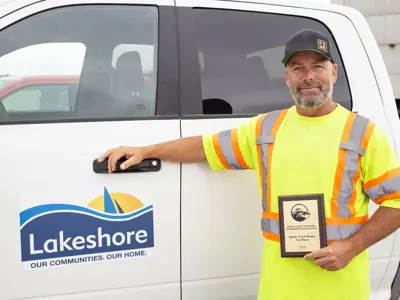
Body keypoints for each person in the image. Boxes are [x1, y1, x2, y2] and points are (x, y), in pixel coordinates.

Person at [98, 29, 400, 300]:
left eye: (317, 67)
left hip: (341, 288)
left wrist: (353, 247)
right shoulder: (266, 129)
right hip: (278, 289)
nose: (308, 76)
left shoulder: (364, 133)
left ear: (334, 72)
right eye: (298, 68)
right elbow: (204, 147)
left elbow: (396, 202)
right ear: (287, 76)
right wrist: (147, 149)